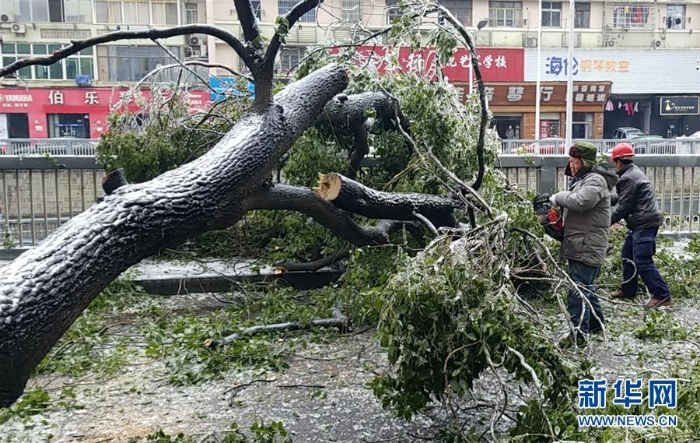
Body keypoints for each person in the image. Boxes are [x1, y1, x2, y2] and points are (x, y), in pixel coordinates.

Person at [550, 142, 618, 344]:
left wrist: (557, 197)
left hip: (587, 243)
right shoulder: (584, 180)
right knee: (586, 285)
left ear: (586, 162)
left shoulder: (595, 181)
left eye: (575, 161)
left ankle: (579, 334)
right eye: (570, 161)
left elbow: (580, 202)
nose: (571, 165)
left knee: (577, 289)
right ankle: (597, 324)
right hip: (581, 241)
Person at [609, 143, 671, 309]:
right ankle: (629, 289)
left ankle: (661, 295)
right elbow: (621, 197)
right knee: (627, 254)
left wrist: (604, 222)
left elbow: (624, 207)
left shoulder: (628, 177)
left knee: (643, 260)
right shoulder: (632, 173)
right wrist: (602, 199)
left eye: (613, 162)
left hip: (644, 223)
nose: (613, 166)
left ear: (618, 161)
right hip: (641, 222)